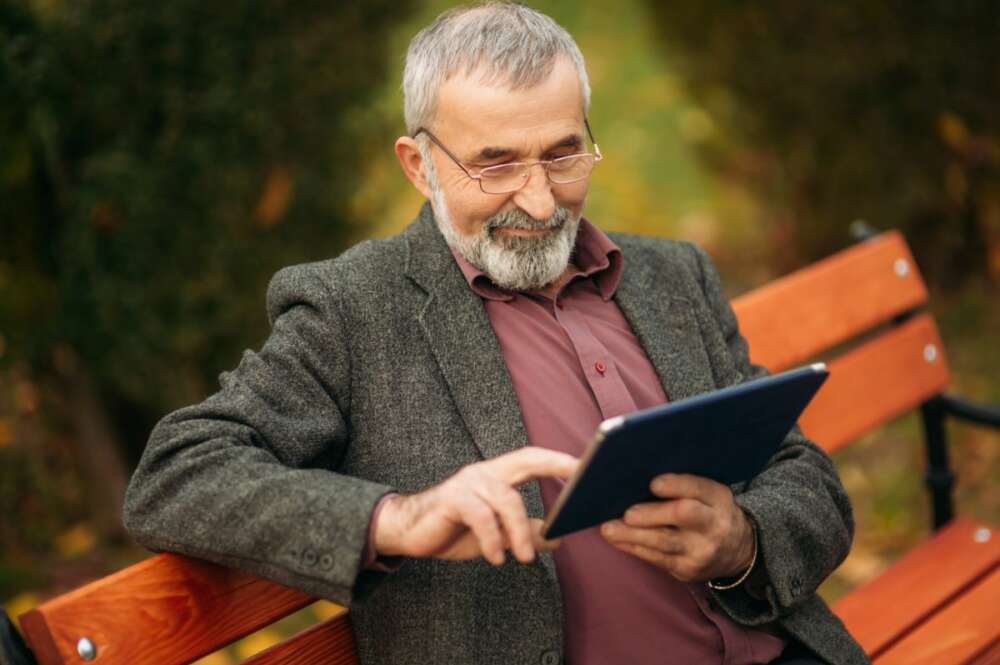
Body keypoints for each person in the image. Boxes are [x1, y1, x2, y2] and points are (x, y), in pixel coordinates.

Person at [123, 3, 868, 664]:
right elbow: (177, 473)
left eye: (563, 153)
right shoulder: (351, 309)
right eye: (497, 163)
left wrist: (743, 542)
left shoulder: (675, 275)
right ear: (419, 167)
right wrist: (396, 516)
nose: (540, 201)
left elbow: (805, 477)